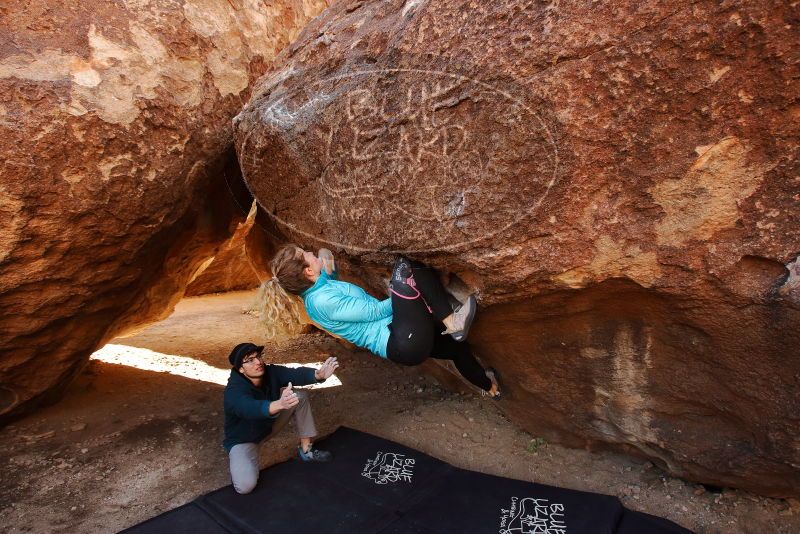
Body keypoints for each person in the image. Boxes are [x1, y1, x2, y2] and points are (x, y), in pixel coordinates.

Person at [264, 245, 500, 398]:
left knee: (457, 350)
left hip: (403, 334)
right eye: (307, 255)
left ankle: (489, 387)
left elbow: (328, 269)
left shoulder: (318, 288)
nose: (310, 252)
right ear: (307, 272)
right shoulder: (322, 301)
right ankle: (453, 322)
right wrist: (404, 294)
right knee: (405, 270)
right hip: (401, 340)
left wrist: (324, 253)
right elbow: (375, 311)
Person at [223, 342, 339, 494]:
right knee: (245, 486)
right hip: (245, 439)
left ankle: (306, 450)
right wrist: (279, 404)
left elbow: (295, 373)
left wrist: (318, 375)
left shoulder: (269, 372)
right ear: (240, 369)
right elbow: (249, 408)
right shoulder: (233, 391)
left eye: (257, 356)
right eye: (250, 360)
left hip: (268, 426)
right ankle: (242, 464)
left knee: (299, 396)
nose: (258, 362)